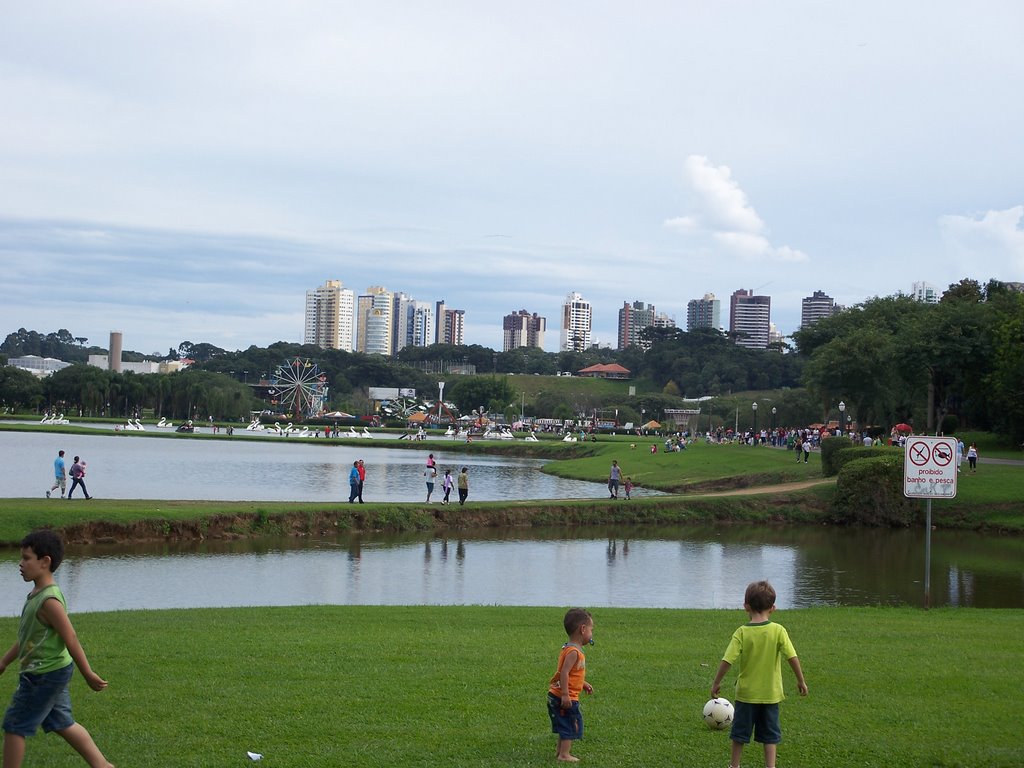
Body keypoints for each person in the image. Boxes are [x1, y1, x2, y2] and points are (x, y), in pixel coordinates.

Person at [0, 530, 114, 768]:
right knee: (62, 722)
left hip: (44, 675)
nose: (20, 564)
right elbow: (27, 638)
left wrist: (88, 673)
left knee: (15, 724)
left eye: (26, 558)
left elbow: (70, 638)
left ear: (45, 561)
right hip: (50, 672)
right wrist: (4, 661)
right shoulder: (35, 594)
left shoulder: (49, 601)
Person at [710, 580, 808, 768]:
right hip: (770, 695)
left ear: (746, 605)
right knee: (770, 736)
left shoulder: (742, 632)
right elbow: (792, 657)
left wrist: (716, 682)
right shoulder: (778, 631)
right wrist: (801, 680)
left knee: (739, 734)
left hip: (746, 695)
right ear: (773, 608)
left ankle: (734, 765)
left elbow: (727, 660)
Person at [546, 608, 594, 763]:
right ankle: (564, 755)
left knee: (564, 723)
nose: (592, 634)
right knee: (571, 724)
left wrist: (582, 684)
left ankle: (560, 752)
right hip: (564, 696)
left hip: (559, 694)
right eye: (591, 630)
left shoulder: (569, 648)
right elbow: (564, 673)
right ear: (583, 629)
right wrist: (566, 695)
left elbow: (573, 674)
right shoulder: (574, 652)